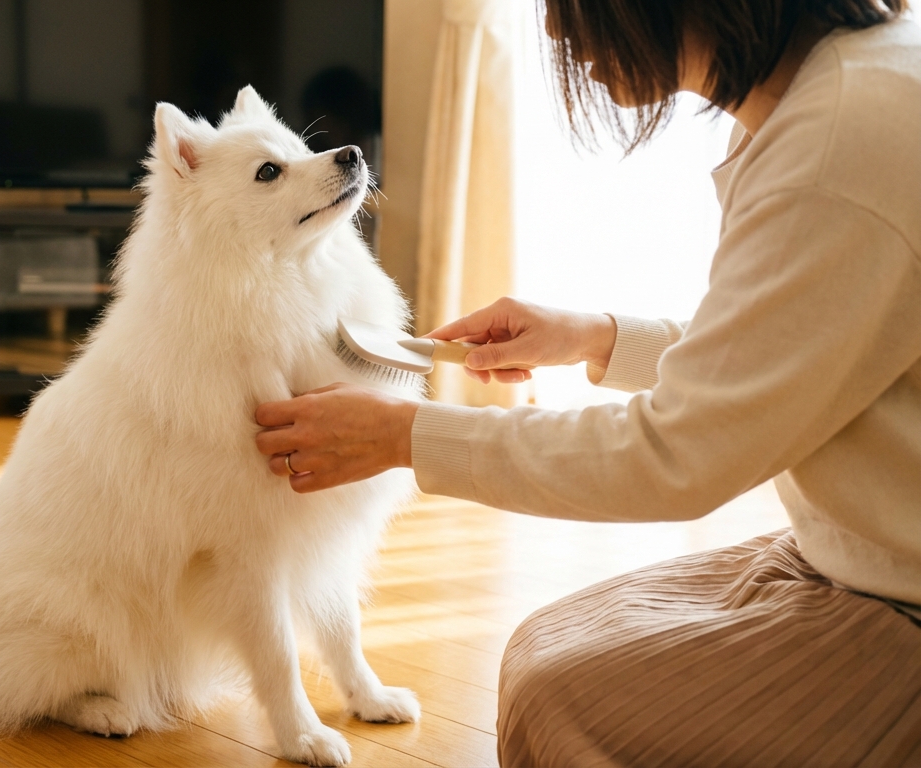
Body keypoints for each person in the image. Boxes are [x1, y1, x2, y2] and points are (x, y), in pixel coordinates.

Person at [254, 0, 921, 765]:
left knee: (563, 695)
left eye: (566, 4)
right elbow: (790, 346)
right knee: (551, 645)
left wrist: (407, 436)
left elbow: (680, 453)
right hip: (863, 545)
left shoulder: (838, 143)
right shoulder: (840, 93)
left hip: (898, 589)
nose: (555, 32)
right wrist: (597, 336)